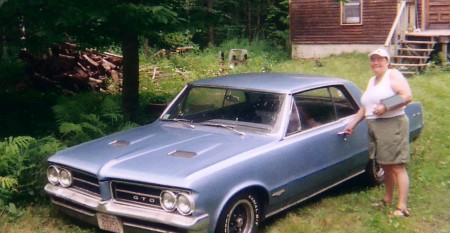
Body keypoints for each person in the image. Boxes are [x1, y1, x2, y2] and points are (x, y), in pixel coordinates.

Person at [344, 48, 413, 217]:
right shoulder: (372, 80)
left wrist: (385, 106)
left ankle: (402, 207)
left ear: (387, 61)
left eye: (380, 59)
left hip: (392, 124)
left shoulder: (393, 75)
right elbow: (365, 107)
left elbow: (407, 96)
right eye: (373, 59)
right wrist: (352, 124)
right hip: (375, 126)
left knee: (397, 166)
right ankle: (387, 199)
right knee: (385, 165)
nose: (376, 62)